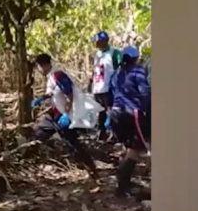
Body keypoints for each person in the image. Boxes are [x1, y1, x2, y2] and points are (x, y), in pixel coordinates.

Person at [31, 54, 99, 178]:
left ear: (42, 65)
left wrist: (67, 114)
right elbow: (52, 92)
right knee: (38, 134)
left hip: (65, 115)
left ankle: (91, 169)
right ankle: (30, 160)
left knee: (73, 143)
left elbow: (69, 95)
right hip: (55, 114)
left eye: (37, 67)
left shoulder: (58, 75)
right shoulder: (51, 76)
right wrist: (41, 98)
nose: (38, 70)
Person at [108, 45, 151, 197]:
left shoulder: (117, 73)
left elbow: (110, 92)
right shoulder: (137, 71)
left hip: (116, 114)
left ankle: (123, 181)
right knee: (136, 149)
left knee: (128, 147)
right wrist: (146, 110)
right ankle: (122, 184)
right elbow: (144, 91)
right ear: (135, 58)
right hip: (132, 113)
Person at [88, 31, 122, 142]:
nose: (96, 43)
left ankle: (114, 134)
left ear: (104, 41)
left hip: (109, 87)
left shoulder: (114, 53)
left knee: (110, 111)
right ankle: (101, 133)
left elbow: (121, 68)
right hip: (98, 88)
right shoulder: (97, 54)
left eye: (98, 41)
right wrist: (90, 82)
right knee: (100, 111)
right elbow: (95, 70)